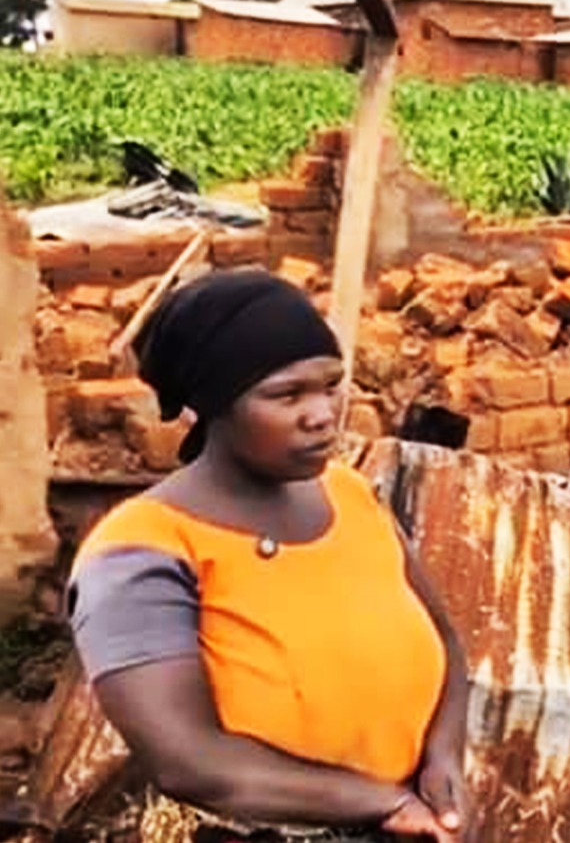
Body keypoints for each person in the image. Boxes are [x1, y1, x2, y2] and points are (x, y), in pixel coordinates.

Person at [66, 269, 471, 842]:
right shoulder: (139, 552)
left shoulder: (349, 494)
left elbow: (446, 644)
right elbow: (188, 760)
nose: (322, 414)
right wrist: (382, 801)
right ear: (213, 405)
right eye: (287, 395)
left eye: (330, 385)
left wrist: (443, 761)